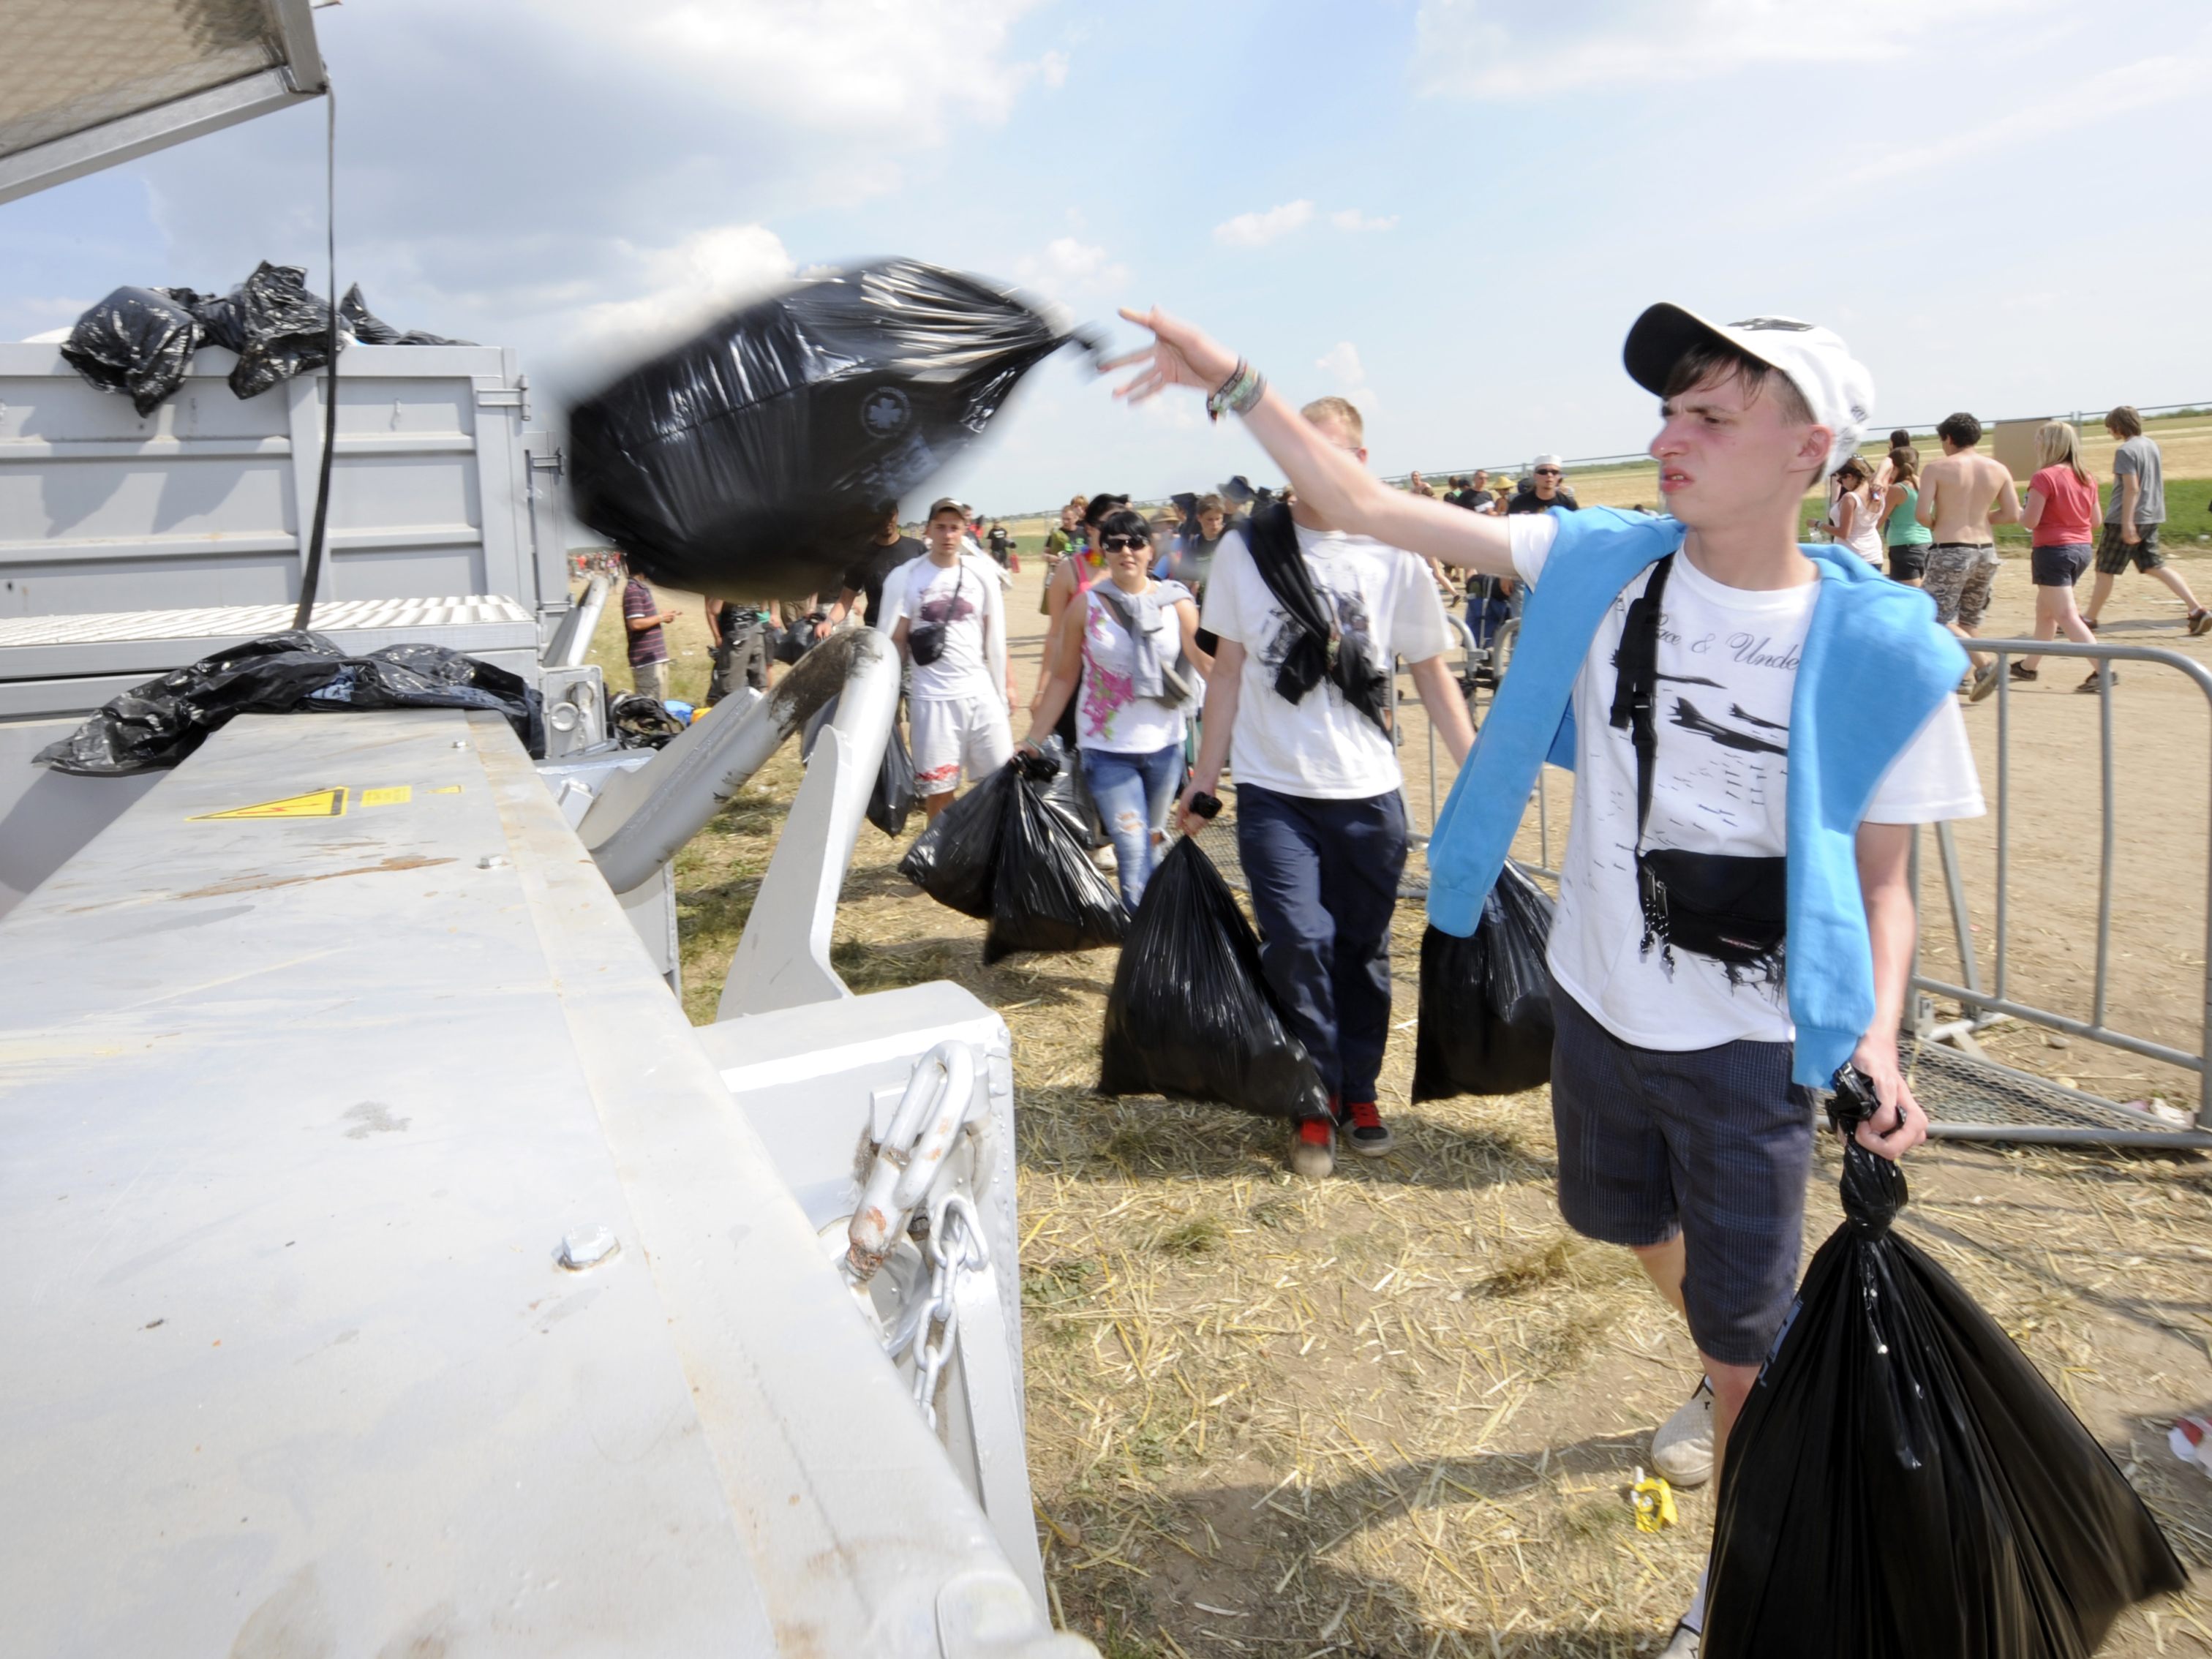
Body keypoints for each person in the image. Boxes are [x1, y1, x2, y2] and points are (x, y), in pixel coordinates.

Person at [1106, 301, 1979, 1658]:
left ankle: (1733, 1597)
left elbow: (1881, 883)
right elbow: (1352, 495)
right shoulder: (1597, 564)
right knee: (1617, 1220)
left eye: (1707, 416)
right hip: (1596, 1003)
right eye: (1667, 409)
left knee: (1744, 1358)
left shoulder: (1883, 651)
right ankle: (1744, 1348)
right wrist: (1231, 377)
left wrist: (1876, 1035)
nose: (1662, 438)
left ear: (1808, 448)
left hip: (1749, 1045)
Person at [1163, 394, 1476, 1178]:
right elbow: (1228, 671)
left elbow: (1433, 675)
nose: (1316, 466)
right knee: (1300, 945)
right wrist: (1205, 782)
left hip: (1370, 792)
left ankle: (1358, 1090)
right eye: (1301, 451)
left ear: (1361, 464)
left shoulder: (1395, 549)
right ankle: (1311, 1096)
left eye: (1333, 452)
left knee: (1362, 953)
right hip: (1276, 793)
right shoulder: (1245, 551)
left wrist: (1481, 777)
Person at [1020, 507, 1211, 906]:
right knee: (1131, 845)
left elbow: (1208, 665)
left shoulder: (1177, 604)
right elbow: (1064, 677)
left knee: (1154, 841)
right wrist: (1033, 739)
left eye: (1136, 542)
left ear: (1150, 550)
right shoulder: (1085, 608)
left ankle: (1154, 933)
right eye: (1115, 543)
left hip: (1165, 746)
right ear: (1103, 551)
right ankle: (1141, 939)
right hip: (1107, 752)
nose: (1127, 550)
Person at [886, 497, 1017, 819]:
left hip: (980, 695)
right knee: (939, 792)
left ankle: (992, 857)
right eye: (941, 527)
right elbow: (896, 640)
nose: (947, 535)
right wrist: (886, 694)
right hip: (933, 700)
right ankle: (941, 861)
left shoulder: (980, 575)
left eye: (954, 528)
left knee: (1002, 782)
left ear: (964, 531)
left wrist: (1009, 684)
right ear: (929, 530)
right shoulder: (908, 578)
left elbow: (994, 636)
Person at [1916, 411, 2020, 700]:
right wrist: (1982, 518)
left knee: (1933, 616)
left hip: (1951, 549)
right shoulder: (1998, 469)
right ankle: (1960, 677)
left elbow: (1922, 514)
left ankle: (1985, 665)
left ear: (1948, 439)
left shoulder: (1937, 468)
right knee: (1968, 622)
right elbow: (2012, 514)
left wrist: (1941, 523)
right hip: (1986, 550)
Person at [2084, 405, 2208, 636]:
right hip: (2152, 515)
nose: (2110, 433)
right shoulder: (2152, 445)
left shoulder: (2125, 451)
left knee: (2105, 569)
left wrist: (2128, 522)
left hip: (2125, 518)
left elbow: (2132, 487)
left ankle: (2089, 618)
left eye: (2110, 428)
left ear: (2118, 426)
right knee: (2154, 565)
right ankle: (2197, 609)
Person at [2012, 421, 2103, 687]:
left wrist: (2016, 509)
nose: (2035, 445)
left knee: (2065, 615)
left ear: (2049, 444)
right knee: (2046, 613)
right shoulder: (2086, 476)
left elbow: (2030, 521)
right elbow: (2096, 521)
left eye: (2038, 440)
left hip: (2053, 552)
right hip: (2082, 549)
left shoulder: (2044, 477)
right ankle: (2028, 667)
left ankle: (2103, 669)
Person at [829, 508, 925, 636]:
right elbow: (845, 600)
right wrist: (829, 622)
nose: (886, 521)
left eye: (890, 515)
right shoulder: (861, 556)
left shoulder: (917, 549)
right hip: (878, 635)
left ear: (897, 514)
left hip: (912, 634)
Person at [622, 565, 678, 704]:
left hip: (656, 658)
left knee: (659, 706)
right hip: (646, 661)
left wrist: (664, 617)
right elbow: (635, 623)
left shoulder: (641, 588)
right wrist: (661, 618)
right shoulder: (633, 590)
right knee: (649, 709)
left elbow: (645, 619)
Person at [704, 595, 773, 704]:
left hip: (737, 634)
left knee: (731, 686)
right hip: (757, 631)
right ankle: (760, 714)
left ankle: (732, 716)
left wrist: (717, 636)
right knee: (759, 684)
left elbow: (714, 610)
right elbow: (763, 608)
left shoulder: (729, 580)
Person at [1878, 446, 1932, 587]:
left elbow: (1879, 520)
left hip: (1904, 545)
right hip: (1926, 542)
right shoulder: (1924, 484)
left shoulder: (1898, 489)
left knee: (1910, 594)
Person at [1824, 456, 1884, 564]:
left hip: (1853, 557)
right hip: (1874, 555)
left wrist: (1819, 525)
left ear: (1849, 477)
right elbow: (1888, 462)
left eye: (1841, 480)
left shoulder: (1850, 498)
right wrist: (1879, 478)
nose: (1841, 484)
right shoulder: (1878, 493)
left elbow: (1843, 533)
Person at [1508, 455, 1579, 514]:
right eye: (1543, 472)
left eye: (1554, 472)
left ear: (1559, 476)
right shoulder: (1519, 503)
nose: (1549, 475)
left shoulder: (1568, 503)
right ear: (1535, 475)